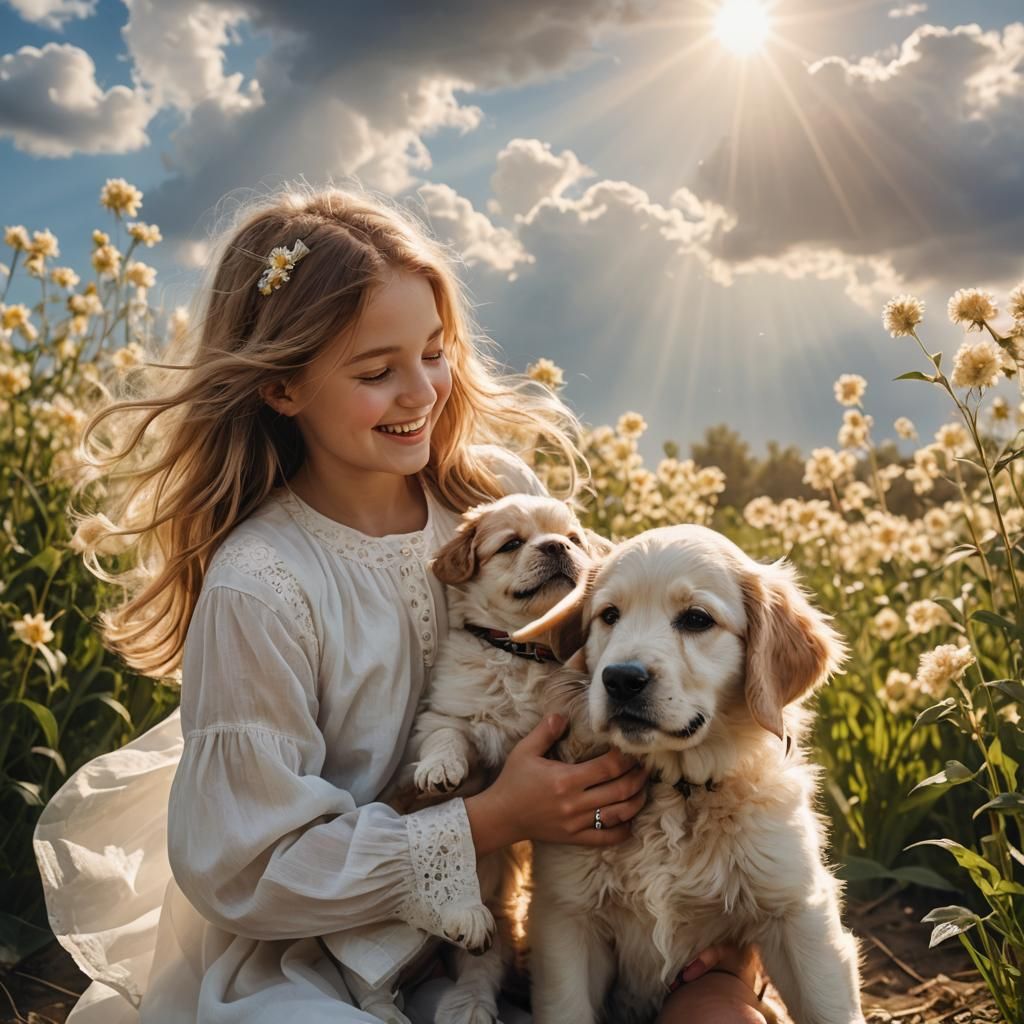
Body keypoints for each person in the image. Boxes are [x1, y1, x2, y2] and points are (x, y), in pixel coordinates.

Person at [34, 185, 767, 1024]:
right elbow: (246, 871)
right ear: (281, 388)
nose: (421, 392)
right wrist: (492, 817)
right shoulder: (262, 584)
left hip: (517, 926)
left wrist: (718, 915)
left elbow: (621, 677)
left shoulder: (497, 500)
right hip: (320, 954)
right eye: (377, 372)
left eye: (433, 351)